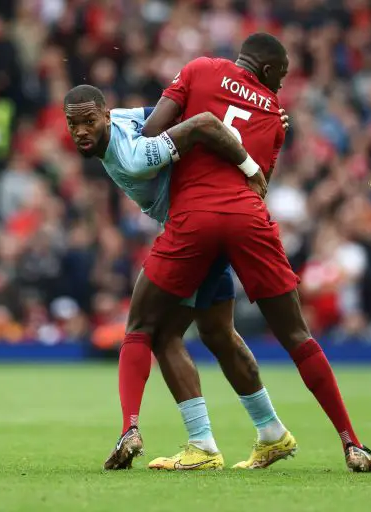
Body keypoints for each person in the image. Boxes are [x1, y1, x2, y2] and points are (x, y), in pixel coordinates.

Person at [113, 33, 371, 472]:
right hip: (246, 221)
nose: (280, 87)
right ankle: (349, 443)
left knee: (148, 326)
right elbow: (260, 185)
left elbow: (151, 134)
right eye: (283, 77)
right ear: (271, 70)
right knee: (290, 336)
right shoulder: (275, 116)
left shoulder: (200, 69)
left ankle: (148, 433)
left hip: (194, 221)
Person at [62, 85, 296, 470]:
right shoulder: (123, 119)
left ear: (105, 115)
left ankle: (196, 443)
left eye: (89, 121)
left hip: (194, 227)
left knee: (154, 329)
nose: (82, 130)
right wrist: (262, 121)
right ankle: (271, 431)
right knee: (218, 334)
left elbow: (203, 120)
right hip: (211, 222)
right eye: (74, 124)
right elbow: (191, 107)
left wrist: (252, 160)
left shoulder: (134, 156)